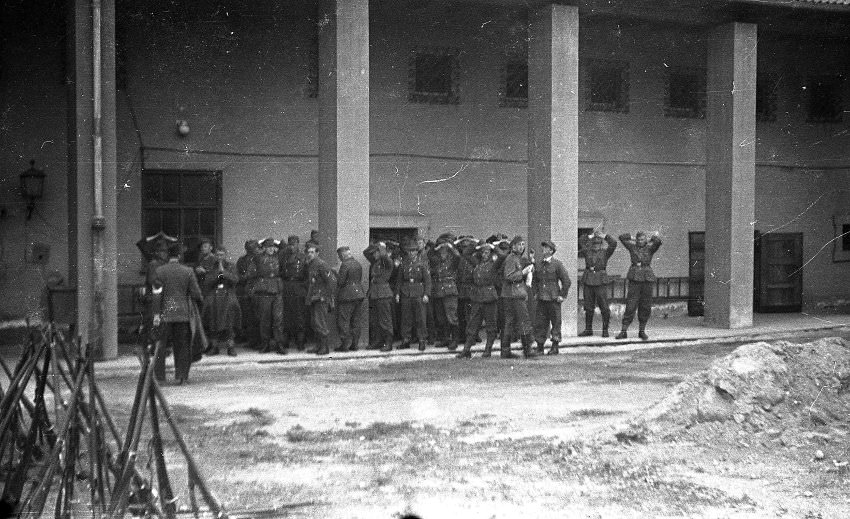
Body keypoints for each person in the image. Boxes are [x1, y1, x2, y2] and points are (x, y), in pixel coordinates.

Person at [152, 243, 204, 384]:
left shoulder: (159, 271)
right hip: (183, 314)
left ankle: (160, 378)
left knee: (160, 346)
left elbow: (156, 295)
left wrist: (156, 315)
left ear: (168, 256)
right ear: (179, 256)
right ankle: (181, 377)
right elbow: (196, 293)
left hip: (165, 314)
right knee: (182, 347)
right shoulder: (188, 271)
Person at [456, 241, 506, 359]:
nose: (485, 254)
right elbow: (465, 254)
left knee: (490, 325)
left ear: (490, 253)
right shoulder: (476, 263)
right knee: (472, 324)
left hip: (489, 298)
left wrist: (494, 247)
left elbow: (503, 256)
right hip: (477, 297)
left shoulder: (494, 264)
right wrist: (476, 244)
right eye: (483, 252)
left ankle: (488, 350)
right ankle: (466, 350)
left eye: (487, 252)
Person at [616, 231, 663, 340]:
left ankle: (642, 331)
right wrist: (633, 237)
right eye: (639, 240)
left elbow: (658, 241)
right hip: (635, 277)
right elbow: (622, 237)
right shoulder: (632, 247)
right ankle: (623, 331)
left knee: (645, 305)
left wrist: (650, 240)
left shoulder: (650, 249)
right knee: (631, 304)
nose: (640, 242)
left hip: (647, 277)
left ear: (645, 240)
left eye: (642, 240)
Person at [532, 240, 571, 355]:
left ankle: (555, 346)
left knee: (556, 323)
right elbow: (534, 280)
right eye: (543, 247)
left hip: (553, 298)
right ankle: (540, 347)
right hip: (542, 298)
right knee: (540, 323)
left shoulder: (557, 264)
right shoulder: (538, 264)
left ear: (551, 251)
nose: (543, 249)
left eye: (546, 247)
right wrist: (535, 293)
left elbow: (566, 281)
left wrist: (562, 295)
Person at [201, 246, 241, 356]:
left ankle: (231, 347)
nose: (220, 257)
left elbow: (235, 279)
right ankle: (214, 347)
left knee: (229, 321)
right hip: (215, 296)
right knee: (213, 321)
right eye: (218, 255)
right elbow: (207, 282)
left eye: (222, 255)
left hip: (228, 295)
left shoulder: (231, 266)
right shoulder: (212, 266)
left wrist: (224, 272)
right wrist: (217, 273)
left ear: (225, 255)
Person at [501, 235, 535, 358]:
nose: (521, 247)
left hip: (511, 294)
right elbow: (509, 276)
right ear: (513, 246)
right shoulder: (511, 258)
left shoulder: (516, 258)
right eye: (519, 244)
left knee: (510, 322)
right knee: (524, 320)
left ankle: (505, 350)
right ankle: (527, 349)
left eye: (522, 244)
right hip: (514, 294)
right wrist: (523, 272)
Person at [578, 231, 618, 337]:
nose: (595, 245)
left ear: (601, 244)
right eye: (594, 243)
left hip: (600, 280)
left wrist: (603, 236)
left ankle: (605, 330)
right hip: (589, 280)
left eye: (598, 243)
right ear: (591, 244)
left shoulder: (605, 252)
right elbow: (581, 240)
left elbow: (613, 243)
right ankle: (588, 329)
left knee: (604, 306)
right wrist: (590, 235)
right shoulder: (587, 251)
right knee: (588, 306)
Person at [396, 239, 432, 351]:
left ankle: (422, 340)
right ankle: (406, 339)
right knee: (406, 318)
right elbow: (399, 281)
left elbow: (427, 281)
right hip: (406, 293)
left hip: (419, 293)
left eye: (413, 251)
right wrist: (397, 293)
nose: (411, 253)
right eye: (409, 251)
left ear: (417, 252)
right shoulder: (403, 264)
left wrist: (426, 294)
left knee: (420, 318)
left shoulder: (422, 264)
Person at [251, 238, 285, 353]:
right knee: (265, 319)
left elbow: (284, 247)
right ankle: (265, 344)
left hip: (277, 290)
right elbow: (254, 248)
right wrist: (261, 243)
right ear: (264, 248)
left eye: (272, 247)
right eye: (268, 247)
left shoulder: (278, 256)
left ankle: (279, 344)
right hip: (264, 290)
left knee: (278, 319)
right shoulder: (259, 257)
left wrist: (277, 242)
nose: (271, 249)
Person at [430, 233, 461, 350]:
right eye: (440, 247)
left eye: (444, 247)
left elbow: (458, 256)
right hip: (438, 290)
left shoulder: (452, 259)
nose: (442, 250)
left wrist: (451, 246)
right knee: (441, 317)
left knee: (451, 316)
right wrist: (436, 247)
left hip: (449, 290)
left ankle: (455, 340)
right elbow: (429, 254)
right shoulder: (436, 259)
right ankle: (445, 339)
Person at [305, 243, 337, 355]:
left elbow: (331, 281)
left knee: (320, 322)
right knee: (314, 323)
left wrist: (326, 296)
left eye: (312, 252)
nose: (310, 254)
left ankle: (325, 347)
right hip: (313, 298)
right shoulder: (311, 264)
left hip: (321, 298)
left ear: (317, 253)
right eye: (308, 252)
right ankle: (318, 345)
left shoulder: (321, 264)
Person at [364, 241, 396, 352]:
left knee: (385, 320)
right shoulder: (376, 262)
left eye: (376, 252)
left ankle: (388, 342)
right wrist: (376, 245)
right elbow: (366, 253)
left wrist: (381, 247)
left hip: (383, 293)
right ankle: (378, 341)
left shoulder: (387, 262)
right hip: (374, 293)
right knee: (375, 320)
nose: (374, 255)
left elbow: (385, 257)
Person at [280, 235, 308, 351]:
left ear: (298, 244)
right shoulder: (284, 257)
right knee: (286, 315)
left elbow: (307, 274)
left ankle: (300, 341)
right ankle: (286, 340)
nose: (292, 246)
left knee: (299, 316)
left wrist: (303, 287)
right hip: (287, 286)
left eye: (294, 244)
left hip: (298, 287)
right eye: (290, 244)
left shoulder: (303, 257)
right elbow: (280, 271)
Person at [335, 246, 365, 352]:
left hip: (347, 295)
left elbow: (341, 282)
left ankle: (345, 345)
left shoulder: (345, 265)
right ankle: (355, 344)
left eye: (339, 256)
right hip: (359, 294)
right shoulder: (357, 264)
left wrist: (335, 274)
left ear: (343, 255)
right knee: (356, 320)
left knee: (344, 320)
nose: (339, 258)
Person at [236, 239, 261, 349]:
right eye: (249, 247)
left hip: (259, 290)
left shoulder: (261, 259)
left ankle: (259, 341)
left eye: (254, 247)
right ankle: (251, 340)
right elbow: (239, 276)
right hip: (246, 290)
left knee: (259, 317)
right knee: (249, 317)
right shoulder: (242, 260)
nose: (252, 249)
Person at [455, 236, 477, 345]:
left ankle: (471, 337)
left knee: (470, 316)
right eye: (463, 247)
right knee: (461, 315)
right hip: (461, 289)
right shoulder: (460, 259)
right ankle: (463, 336)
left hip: (471, 289)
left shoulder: (474, 258)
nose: (464, 249)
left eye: (467, 247)